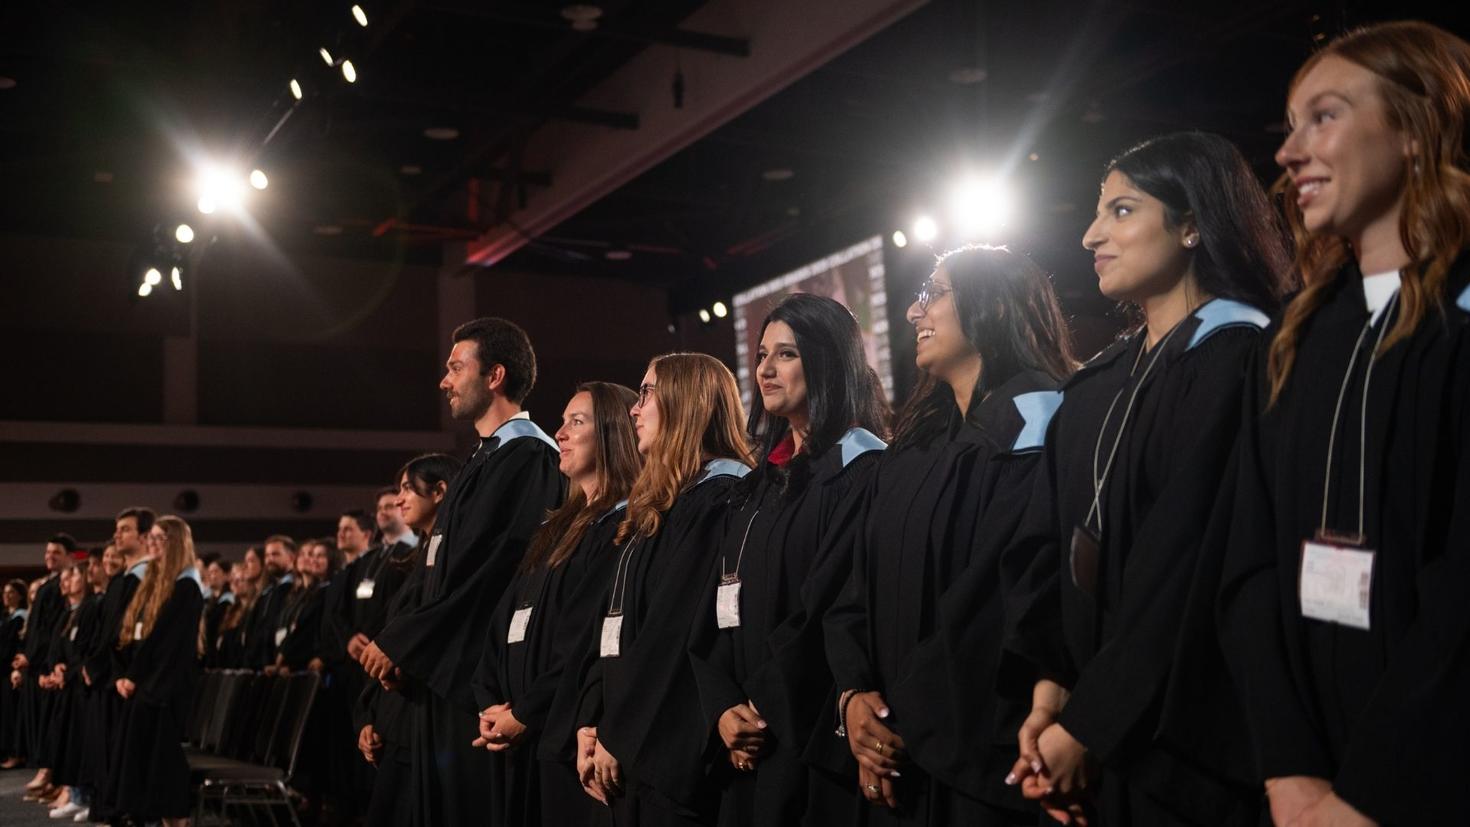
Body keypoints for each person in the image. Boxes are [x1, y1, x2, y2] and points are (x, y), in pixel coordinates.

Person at [1217, 21, 1470, 827]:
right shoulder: (1296, 338)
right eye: (1290, 126)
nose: (1288, 152)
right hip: (1304, 784)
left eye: (1322, 117)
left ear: (1415, 127)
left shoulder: (1460, 321)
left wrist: (1369, 793)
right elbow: (1248, 564)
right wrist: (1290, 771)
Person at [1000, 132, 1291, 826]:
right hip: (1092, 742)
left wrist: (1091, 726)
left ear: (1193, 223)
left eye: (1122, 211)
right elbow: (1045, 546)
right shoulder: (1096, 387)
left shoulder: (1243, 357)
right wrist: (1050, 697)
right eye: (1099, 211)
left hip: (1189, 753)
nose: (1091, 234)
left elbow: (1189, 566)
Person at [821, 245, 1076, 825]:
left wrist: (899, 720)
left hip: (984, 758)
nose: (916, 314)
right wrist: (855, 698)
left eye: (933, 294)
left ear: (990, 305)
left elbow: (1003, 597)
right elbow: (856, 585)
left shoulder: (1038, 421)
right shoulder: (916, 448)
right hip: (904, 755)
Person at [686, 293, 890, 827]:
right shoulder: (757, 487)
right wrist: (722, 706)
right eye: (761, 356)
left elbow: (830, 605)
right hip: (744, 742)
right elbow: (714, 603)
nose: (766, 370)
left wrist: (761, 705)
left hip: (808, 736)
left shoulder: (861, 471)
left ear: (825, 361)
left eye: (786, 355)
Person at [359, 317, 564, 827]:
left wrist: (407, 642)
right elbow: (438, 573)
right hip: (440, 671)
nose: (444, 380)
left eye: (456, 367)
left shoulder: (529, 456)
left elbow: (492, 574)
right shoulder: (479, 460)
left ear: (494, 376)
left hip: (475, 679)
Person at [564, 352, 753, 825]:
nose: (634, 409)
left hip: (669, 753)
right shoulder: (662, 504)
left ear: (685, 403)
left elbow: (672, 632)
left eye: (646, 393)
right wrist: (592, 716)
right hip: (627, 741)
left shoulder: (722, 496)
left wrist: (619, 730)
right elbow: (616, 622)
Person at [471, 382, 643, 827]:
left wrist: (526, 713)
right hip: (515, 735)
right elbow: (503, 620)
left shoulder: (623, 531)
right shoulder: (555, 528)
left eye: (577, 422)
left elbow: (583, 641)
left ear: (612, 434)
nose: (560, 433)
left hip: (564, 740)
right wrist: (491, 702)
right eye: (563, 422)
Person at [356, 453, 462, 827]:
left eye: (406, 489)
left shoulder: (449, 557)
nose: (399, 499)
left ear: (440, 492)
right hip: (396, 719)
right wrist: (369, 719)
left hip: (421, 719)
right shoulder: (422, 557)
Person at [98, 515, 206, 827]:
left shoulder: (187, 587)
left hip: (167, 690)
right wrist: (123, 674)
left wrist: (134, 677)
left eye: (161, 538)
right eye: (153, 537)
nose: (153, 543)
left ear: (176, 543)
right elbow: (130, 635)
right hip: (146, 686)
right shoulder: (155, 585)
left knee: (163, 769)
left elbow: (167, 644)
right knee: (141, 761)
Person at [322, 490, 419, 823]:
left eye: (389, 505)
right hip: (355, 665)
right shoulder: (369, 560)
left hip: (385, 660)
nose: (382, 511)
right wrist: (349, 638)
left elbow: (399, 610)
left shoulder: (412, 555)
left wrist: (379, 642)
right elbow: (337, 609)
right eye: (378, 507)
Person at [78, 507, 155, 824]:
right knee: (104, 750)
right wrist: (89, 664)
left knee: (120, 751)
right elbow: (103, 632)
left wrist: (105, 667)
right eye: (117, 529)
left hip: (123, 676)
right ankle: (109, 808)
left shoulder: (148, 580)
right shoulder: (120, 580)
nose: (117, 535)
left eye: (125, 529)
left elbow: (129, 633)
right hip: (106, 675)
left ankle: (122, 811)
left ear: (143, 536)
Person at [44, 557, 102, 821]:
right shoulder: (70, 613)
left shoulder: (90, 607)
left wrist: (66, 673)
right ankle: (76, 794)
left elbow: (85, 649)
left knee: (81, 744)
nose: (67, 582)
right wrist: (57, 666)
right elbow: (62, 648)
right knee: (70, 743)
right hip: (70, 685)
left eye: (75, 576)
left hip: (81, 687)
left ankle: (85, 796)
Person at [16, 534, 71, 800]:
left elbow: (52, 631)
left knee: (49, 722)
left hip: (45, 664)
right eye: (48, 552)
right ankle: (45, 771)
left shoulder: (60, 588)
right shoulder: (47, 585)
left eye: (56, 552)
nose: (50, 556)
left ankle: (51, 774)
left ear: (69, 556)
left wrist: (33, 658)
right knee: (38, 723)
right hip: (36, 663)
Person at [246, 536, 297, 669]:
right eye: (267, 555)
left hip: (279, 663)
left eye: (275, 554)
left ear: (291, 558)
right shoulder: (270, 591)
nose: (269, 559)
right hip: (261, 663)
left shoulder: (294, 589)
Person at [1, 578, 29, 769]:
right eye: (5, 591)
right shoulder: (5, 617)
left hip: (9, 670)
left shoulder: (21, 617)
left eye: (11, 592)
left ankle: (14, 752)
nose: (7, 595)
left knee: (10, 713)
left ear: (20, 595)